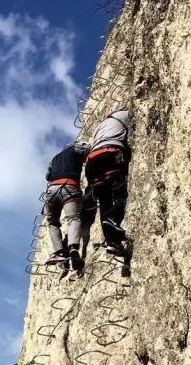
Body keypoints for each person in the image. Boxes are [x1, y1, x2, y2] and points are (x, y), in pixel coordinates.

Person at [84, 109, 131, 262]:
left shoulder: (99, 127)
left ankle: (112, 242)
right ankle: (113, 219)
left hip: (92, 162)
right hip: (109, 153)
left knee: (104, 201)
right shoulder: (122, 116)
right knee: (120, 192)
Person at [42, 141, 89, 272]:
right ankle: (73, 248)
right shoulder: (75, 148)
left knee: (52, 223)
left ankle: (59, 252)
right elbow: (88, 149)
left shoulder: (54, 159)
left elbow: (48, 176)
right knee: (73, 218)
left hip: (51, 191)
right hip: (69, 186)